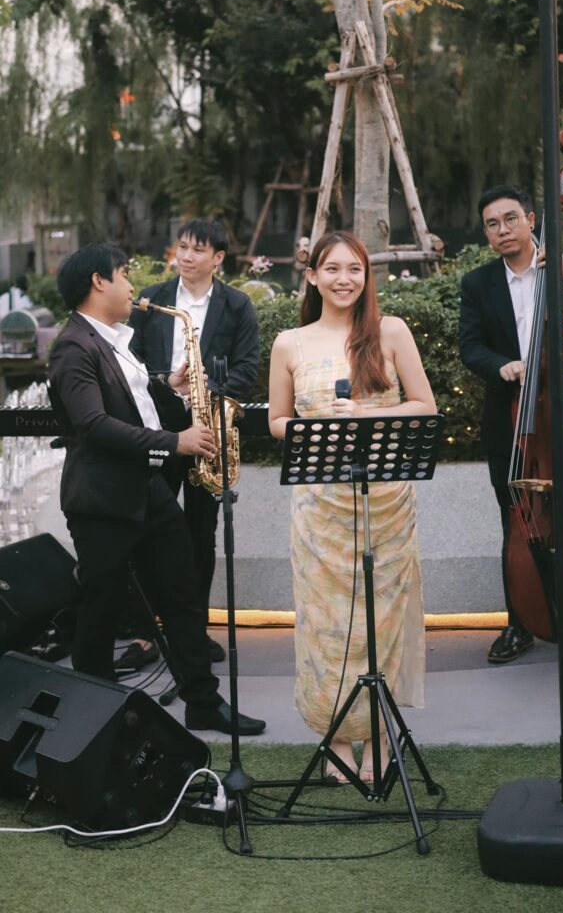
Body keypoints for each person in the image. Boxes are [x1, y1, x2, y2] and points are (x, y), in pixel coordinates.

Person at [48, 243, 265, 735]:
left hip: (148, 492)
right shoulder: (72, 347)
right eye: (124, 275)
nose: (132, 286)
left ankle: (202, 702)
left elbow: (133, 406)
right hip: (103, 503)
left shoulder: (113, 341)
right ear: (98, 282)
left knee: (182, 597)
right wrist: (176, 442)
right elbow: (94, 426)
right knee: (102, 611)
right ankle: (96, 719)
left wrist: (169, 385)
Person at [268, 231, 436, 782]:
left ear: (367, 276)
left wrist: (367, 416)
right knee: (326, 625)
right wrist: (316, 428)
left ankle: (383, 738)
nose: (344, 279)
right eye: (333, 269)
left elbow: (424, 406)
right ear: (312, 276)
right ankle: (337, 736)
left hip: (386, 500)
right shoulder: (289, 343)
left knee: (382, 620)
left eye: (355, 269)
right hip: (320, 507)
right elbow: (277, 421)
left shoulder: (391, 331)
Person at [459, 184, 563, 673]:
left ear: (531, 219)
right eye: (492, 224)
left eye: (510, 218)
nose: (502, 230)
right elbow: (470, 346)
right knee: (517, 521)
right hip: (514, 425)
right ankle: (520, 621)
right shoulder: (478, 283)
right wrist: (502, 365)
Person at [117, 218, 260, 670]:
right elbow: (128, 362)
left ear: (218, 258)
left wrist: (206, 393)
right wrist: (167, 383)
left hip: (209, 430)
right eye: (182, 247)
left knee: (201, 534)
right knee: (146, 529)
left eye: (197, 250)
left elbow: (248, 368)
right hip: (157, 427)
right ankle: (144, 633)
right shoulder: (152, 299)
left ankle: (192, 631)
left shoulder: (237, 305)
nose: (186, 256)